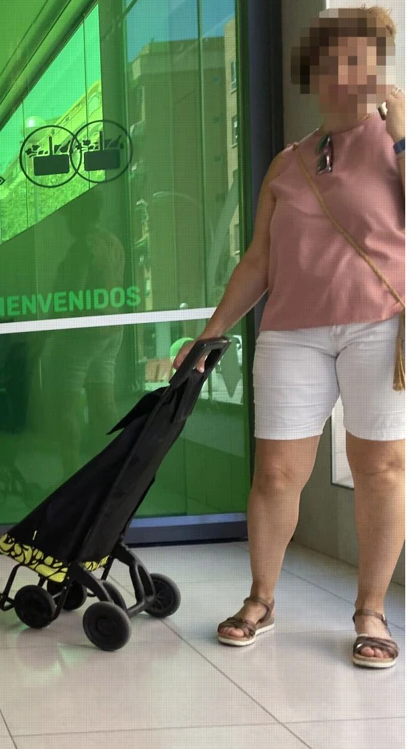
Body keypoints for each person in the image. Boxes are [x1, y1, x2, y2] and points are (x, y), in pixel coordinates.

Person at [176, 6, 405, 667]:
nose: (343, 75)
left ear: (378, 71)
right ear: (312, 77)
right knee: (276, 473)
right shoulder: (288, 163)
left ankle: (370, 610)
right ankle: (262, 599)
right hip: (292, 333)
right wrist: (212, 334)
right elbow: (259, 262)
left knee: (380, 468)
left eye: (359, 61)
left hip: (378, 326)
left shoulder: (397, 143)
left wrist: (402, 137)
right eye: (330, 64)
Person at [48, 188, 126, 475]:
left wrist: (46, 330)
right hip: (111, 332)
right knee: (104, 402)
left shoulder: (83, 248)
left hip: (82, 336)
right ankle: (112, 473)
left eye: (68, 216)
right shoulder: (113, 243)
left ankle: (71, 478)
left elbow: (71, 299)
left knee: (65, 405)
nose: (66, 223)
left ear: (78, 215)